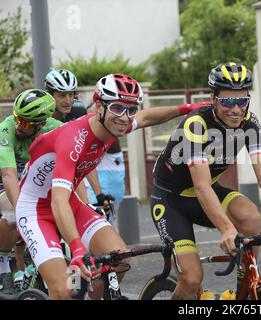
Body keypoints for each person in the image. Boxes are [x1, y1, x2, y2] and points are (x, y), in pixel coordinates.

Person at [15, 73, 201, 300]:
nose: (125, 117)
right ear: (98, 106)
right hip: (36, 210)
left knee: (119, 258)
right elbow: (58, 200)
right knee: (63, 289)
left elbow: (146, 118)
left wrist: (188, 108)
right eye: (118, 107)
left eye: (131, 109)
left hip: (68, 203)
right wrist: (76, 247)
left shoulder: (113, 125)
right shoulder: (73, 138)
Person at [150, 62, 261, 300]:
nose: (235, 109)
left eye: (242, 101)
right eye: (227, 102)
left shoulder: (249, 123)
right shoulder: (196, 125)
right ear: (213, 98)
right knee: (192, 279)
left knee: (251, 215)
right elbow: (201, 186)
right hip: (172, 201)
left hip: (207, 192)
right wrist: (226, 229)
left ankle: (243, 290)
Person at [0, 89, 61, 294]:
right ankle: (3, 267)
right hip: (6, 182)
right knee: (10, 212)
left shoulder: (55, 128)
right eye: (17, 118)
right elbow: (9, 176)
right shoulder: (6, 130)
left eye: (25, 123)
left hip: (33, 183)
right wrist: (23, 212)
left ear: (41, 125)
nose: (18, 125)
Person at [45, 68, 111, 209]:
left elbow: (83, 158)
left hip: (63, 175)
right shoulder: (41, 117)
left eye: (71, 94)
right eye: (62, 95)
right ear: (49, 95)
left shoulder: (78, 111)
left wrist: (99, 195)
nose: (68, 100)